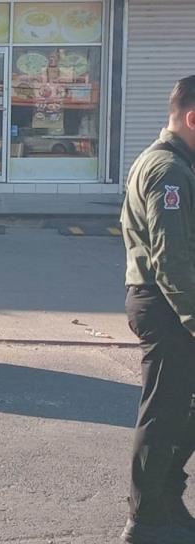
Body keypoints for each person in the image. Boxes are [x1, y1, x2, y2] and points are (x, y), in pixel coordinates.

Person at [121, 75, 195, 543]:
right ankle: (146, 520)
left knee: (182, 411)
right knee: (164, 412)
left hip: (174, 304)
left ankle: (167, 498)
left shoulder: (180, 164)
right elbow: (172, 259)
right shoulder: (169, 170)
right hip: (169, 306)